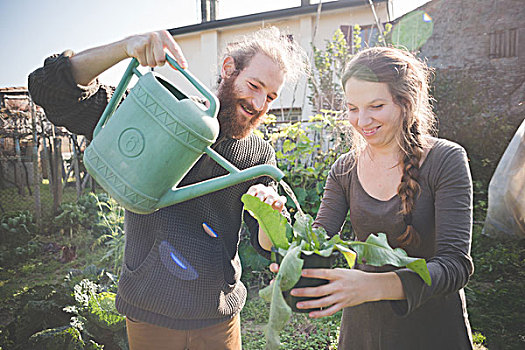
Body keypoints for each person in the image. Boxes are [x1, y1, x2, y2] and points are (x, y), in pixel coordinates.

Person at [28, 27, 306, 349]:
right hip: (150, 311)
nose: (259, 104)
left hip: (219, 317)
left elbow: (265, 244)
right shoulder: (160, 113)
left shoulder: (259, 154)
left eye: (270, 97)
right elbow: (50, 89)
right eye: (254, 86)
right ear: (229, 69)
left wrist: (270, 213)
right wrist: (126, 46)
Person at [253, 46, 475, 349]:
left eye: (376, 106)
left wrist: (374, 286)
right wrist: (269, 219)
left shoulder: (445, 160)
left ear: (405, 102)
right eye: (353, 108)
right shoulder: (345, 168)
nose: (362, 120)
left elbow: (455, 266)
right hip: (363, 331)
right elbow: (317, 240)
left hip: (432, 331)